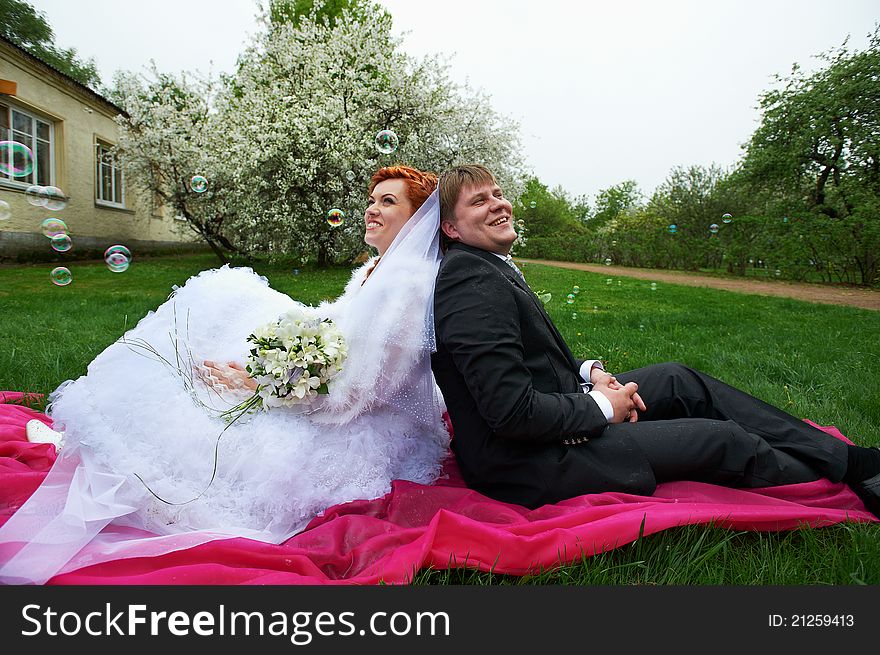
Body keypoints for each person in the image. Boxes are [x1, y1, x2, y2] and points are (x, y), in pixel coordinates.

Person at [0, 165, 451, 584]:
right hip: (329, 383)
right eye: (372, 199)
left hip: (361, 424)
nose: (372, 208)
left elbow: (357, 396)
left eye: (388, 201)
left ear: (418, 219)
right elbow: (339, 327)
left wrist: (263, 382)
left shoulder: (407, 285)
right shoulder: (378, 268)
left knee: (222, 421)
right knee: (225, 299)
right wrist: (280, 352)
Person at [431, 163, 880, 517]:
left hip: (552, 415)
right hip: (526, 461)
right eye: (478, 202)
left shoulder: (486, 267)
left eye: (498, 194)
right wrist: (605, 407)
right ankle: (844, 479)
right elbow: (511, 413)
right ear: (451, 229)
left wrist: (589, 375)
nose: (498, 205)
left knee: (678, 379)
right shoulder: (469, 282)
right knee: (724, 440)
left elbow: (526, 359)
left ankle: (848, 459)